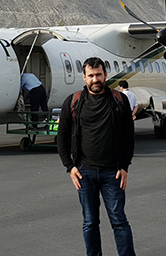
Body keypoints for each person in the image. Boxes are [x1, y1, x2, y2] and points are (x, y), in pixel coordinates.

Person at [57, 57, 136, 256]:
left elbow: (129, 136)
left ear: (106, 75)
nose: (95, 79)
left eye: (99, 75)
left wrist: (125, 166)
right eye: (91, 76)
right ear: (84, 77)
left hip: (113, 173)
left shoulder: (119, 100)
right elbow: (62, 137)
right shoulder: (73, 102)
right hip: (84, 172)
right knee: (90, 223)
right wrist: (70, 167)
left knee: (119, 221)